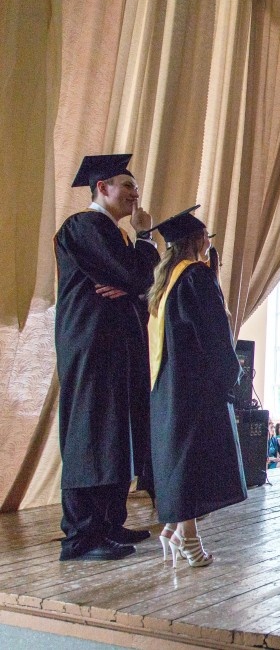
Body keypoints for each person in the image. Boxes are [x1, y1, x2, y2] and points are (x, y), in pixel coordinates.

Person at [55, 154, 159, 561]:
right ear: (102, 187)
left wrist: (131, 287)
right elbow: (135, 276)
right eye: (128, 186)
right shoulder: (84, 226)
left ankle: (109, 522)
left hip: (115, 347)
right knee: (90, 434)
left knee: (117, 433)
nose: (135, 194)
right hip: (90, 344)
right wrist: (144, 244)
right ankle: (81, 536)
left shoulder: (116, 235)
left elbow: (137, 284)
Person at [146, 206, 247, 568]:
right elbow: (213, 333)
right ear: (197, 240)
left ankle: (175, 530)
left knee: (181, 458)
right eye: (206, 236)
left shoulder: (165, 280)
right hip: (194, 386)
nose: (209, 242)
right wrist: (231, 377)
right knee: (191, 460)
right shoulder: (195, 278)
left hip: (168, 385)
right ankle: (186, 536)